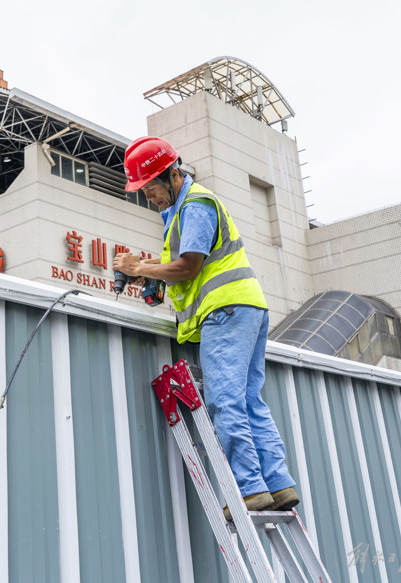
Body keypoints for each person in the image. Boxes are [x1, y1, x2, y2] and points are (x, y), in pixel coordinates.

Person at [112, 136, 299, 520]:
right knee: (249, 400)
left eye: (148, 188)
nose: (147, 197)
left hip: (225, 311)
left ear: (170, 175)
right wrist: (152, 273)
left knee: (225, 400)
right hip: (246, 308)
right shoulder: (181, 212)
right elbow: (183, 268)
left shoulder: (195, 205)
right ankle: (279, 485)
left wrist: (139, 269)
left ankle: (249, 490)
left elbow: (189, 267)